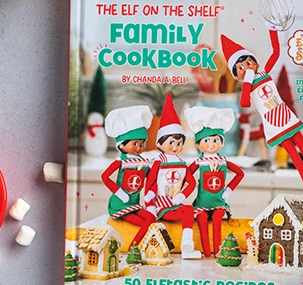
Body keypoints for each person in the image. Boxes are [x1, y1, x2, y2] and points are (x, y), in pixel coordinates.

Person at [220, 27, 303, 204]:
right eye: (241, 68)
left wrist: (272, 29)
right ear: (237, 76)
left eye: (249, 63)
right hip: (272, 122)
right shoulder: (247, 87)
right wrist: (247, 82)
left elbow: (276, 52)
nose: (247, 68)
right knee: (291, 152)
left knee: (299, 139)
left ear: (256, 62)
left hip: (282, 112)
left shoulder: (264, 72)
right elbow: (244, 103)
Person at [143, 94, 200, 259]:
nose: (175, 147)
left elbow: (191, 182)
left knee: (189, 209)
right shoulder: (157, 162)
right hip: (162, 207)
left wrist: (181, 196)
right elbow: (150, 183)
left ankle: (187, 245)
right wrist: (150, 205)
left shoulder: (182, 163)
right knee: (188, 210)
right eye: (171, 143)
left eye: (179, 143)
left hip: (175, 203)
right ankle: (186, 246)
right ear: (159, 143)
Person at [184, 106, 244, 257]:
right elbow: (187, 175)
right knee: (202, 220)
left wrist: (227, 191)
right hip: (202, 203)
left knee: (217, 218)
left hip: (218, 202)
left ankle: (218, 250)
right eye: (206, 140)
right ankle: (206, 252)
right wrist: (186, 186)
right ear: (198, 144)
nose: (211, 144)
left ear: (221, 142)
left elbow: (240, 173)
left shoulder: (223, 161)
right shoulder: (199, 162)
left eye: (215, 140)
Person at [101, 105, 155, 248]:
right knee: (145, 223)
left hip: (135, 203)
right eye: (135, 143)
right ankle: (134, 247)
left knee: (151, 217)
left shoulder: (143, 162)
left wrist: (151, 191)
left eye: (142, 143)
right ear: (122, 145)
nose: (139, 148)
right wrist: (119, 192)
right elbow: (105, 177)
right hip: (120, 205)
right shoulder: (121, 161)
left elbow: (151, 179)